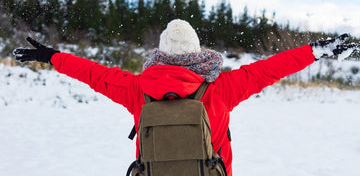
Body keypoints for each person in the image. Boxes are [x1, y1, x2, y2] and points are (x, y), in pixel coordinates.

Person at [13, 19, 357, 176]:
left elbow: (94, 73)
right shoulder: (222, 87)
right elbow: (269, 68)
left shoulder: (136, 88)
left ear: (159, 53)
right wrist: (316, 50)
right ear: (198, 53)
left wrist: (52, 56)